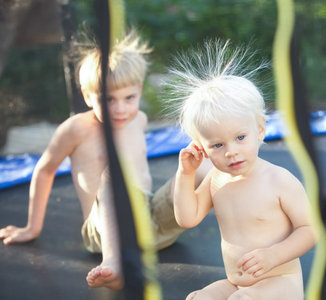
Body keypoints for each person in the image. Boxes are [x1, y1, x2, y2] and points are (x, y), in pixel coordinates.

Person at [0, 29, 209, 291]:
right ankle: (113, 263)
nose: (120, 109)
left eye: (129, 98)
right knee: (114, 174)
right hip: (103, 234)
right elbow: (44, 170)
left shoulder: (139, 120)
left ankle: (249, 228)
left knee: (206, 166)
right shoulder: (76, 129)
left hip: (152, 223)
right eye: (108, 99)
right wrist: (31, 227)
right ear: (88, 96)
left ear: (139, 91)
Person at [166, 39, 317, 299]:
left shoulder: (278, 180)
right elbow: (186, 218)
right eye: (217, 144)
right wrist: (186, 173)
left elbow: (311, 229)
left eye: (239, 138)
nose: (231, 151)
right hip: (238, 283)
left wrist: (274, 255)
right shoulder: (215, 180)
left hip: (280, 282)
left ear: (260, 129)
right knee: (197, 298)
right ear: (201, 147)